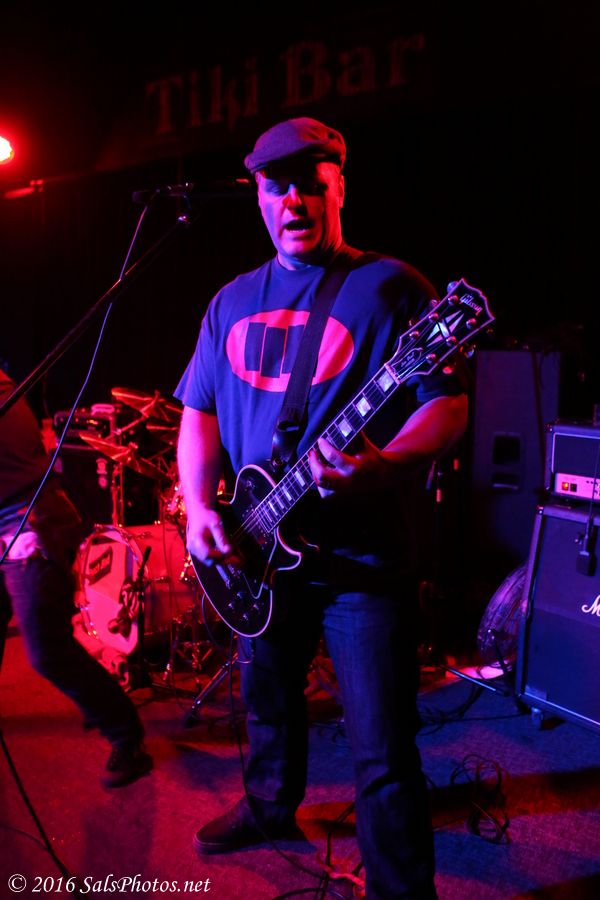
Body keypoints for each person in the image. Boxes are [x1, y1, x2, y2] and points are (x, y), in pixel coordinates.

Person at [175, 117, 468, 898]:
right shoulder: (230, 301)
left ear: (340, 190)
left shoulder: (390, 286)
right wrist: (199, 507)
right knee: (267, 703)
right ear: (259, 198)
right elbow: (198, 412)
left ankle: (400, 888)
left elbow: (446, 406)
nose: (293, 201)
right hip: (258, 547)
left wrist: (384, 465)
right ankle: (270, 807)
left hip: (362, 565)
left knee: (382, 746)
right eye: (278, 187)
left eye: (311, 184)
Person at [0, 367, 152, 788]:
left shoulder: (2, 389)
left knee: (47, 651)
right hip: (11, 522)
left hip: (29, 522)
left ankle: (126, 735)